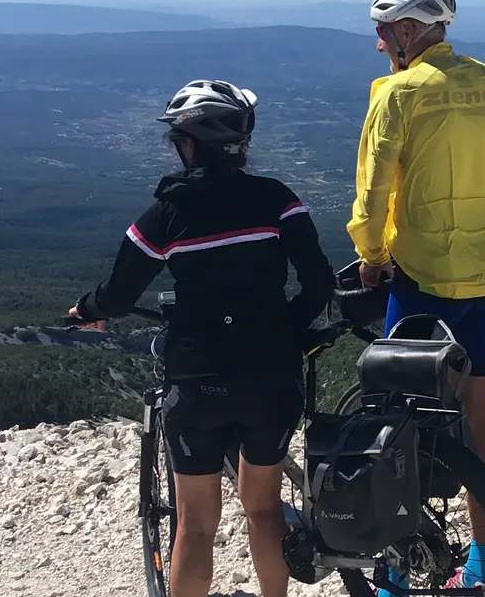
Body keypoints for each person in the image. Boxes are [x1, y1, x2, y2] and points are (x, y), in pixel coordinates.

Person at [68, 79, 333, 597]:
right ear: (241, 146)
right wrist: (290, 330)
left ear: (187, 144)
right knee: (262, 509)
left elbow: (120, 294)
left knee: (194, 525)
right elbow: (319, 282)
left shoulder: (167, 213)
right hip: (269, 376)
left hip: (196, 378)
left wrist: (86, 310)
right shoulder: (278, 200)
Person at [348, 0, 485, 592]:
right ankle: (480, 560)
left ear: (404, 31)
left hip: (423, 276)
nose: (377, 44)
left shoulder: (398, 93)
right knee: (477, 416)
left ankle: (400, 566)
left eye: (381, 31)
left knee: (401, 419)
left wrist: (370, 256)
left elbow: (373, 194)